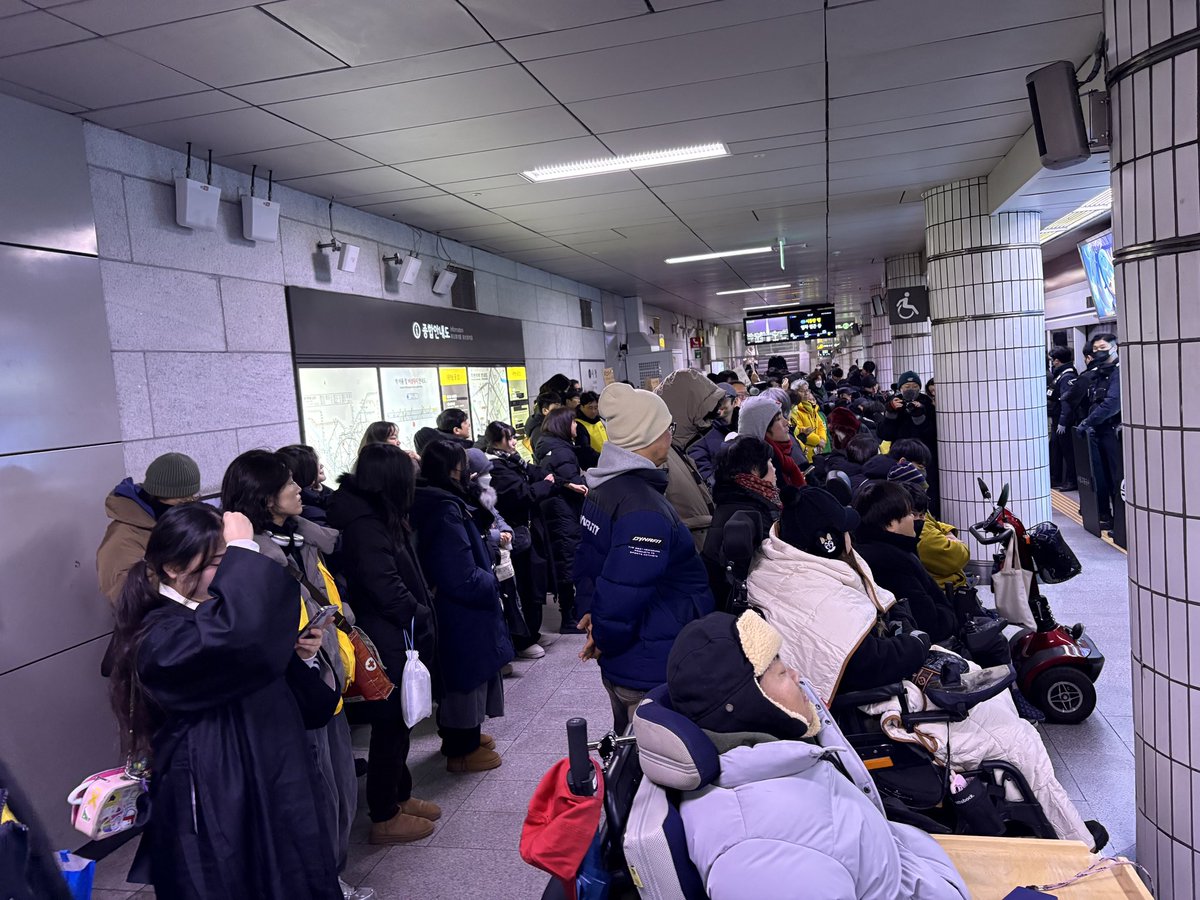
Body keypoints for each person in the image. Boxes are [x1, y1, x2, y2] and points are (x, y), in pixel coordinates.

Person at [749, 488, 1100, 849]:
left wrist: (906, 633)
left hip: (875, 694)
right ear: (827, 542)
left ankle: (1042, 814)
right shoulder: (812, 591)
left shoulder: (783, 571)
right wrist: (915, 643)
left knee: (997, 706)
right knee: (1017, 740)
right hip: (880, 711)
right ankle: (1068, 840)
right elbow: (864, 662)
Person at [109, 504, 343, 899]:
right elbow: (229, 642)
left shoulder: (232, 624)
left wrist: (302, 658)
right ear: (173, 568)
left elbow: (313, 707)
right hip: (218, 799)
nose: (230, 573)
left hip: (273, 787)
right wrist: (245, 550)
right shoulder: (159, 636)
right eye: (221, 561)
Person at [655, 610, 969, 900]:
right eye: (779, 671)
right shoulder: (757, 858)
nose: (795, 675)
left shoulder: (782, 760)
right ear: (749, 704)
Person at [220, 451, 360, 895]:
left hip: (326, 671)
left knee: (340, 785)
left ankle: (334, 874)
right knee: (317, 791)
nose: (299, 488)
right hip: (293, 685)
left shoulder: (304, 537)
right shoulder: (248, 557)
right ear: (263, 497)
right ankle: (325, 881)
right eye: (287, 484)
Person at [574, 383, 714, 733]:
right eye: (669, 429)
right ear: (651, 435)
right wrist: (604, 637)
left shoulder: (605, 487)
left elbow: (590, 563)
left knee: (628, 750)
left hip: (632, 655)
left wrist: (593, 618)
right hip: (650, 662)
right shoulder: (644, 510)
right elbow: (623, 592)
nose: (671, 436)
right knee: (650, 763)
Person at [325, 443, 441, 845]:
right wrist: (420, 612)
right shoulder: (363, 524)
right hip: (385, 635)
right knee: (390, 723)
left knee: (400, 721)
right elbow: (385, 586)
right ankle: (384, 814)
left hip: (393, 631)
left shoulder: (373, 513)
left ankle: (400, 795)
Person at [747, 487, 929, 697]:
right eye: (845, 531)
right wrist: (917, 641)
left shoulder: (775, 563)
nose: (850, 538)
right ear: (827, 543)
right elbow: (870, 664)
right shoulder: (816, 593)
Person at [412, 440, 513, 772]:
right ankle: (461, 748)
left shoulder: (440, 500)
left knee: (470, 672)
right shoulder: (443, 508)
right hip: (460, 608)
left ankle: (465, 736)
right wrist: (491, 580)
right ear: (452, 469)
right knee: (465, 675)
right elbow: (458, 573)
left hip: (460, 606)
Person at [851, 480, 958, 645]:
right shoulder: (892, 564)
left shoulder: (867, 551)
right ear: (891, 524)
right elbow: (933, 625)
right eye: (909, 513)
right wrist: (950, 615)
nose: (914, 519)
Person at [484, 421, 557, 656]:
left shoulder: (512, 461)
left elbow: (536, 474)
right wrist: (544, 485)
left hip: (526, 529)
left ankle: (532, 632)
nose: (514, 442)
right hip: (514, 534)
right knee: (523, 586)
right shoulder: (496, 468)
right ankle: (522, 639)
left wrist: (543, 481)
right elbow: (522, 494)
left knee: (534, 581)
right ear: (498, 441)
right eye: (510, 438)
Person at [97, 452, 201, 605]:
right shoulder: (123, 538)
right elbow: (125, 596)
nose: (189, 505)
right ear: (158, 497)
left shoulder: (172, 523)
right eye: (182, 501)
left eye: (193, 498)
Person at [701, 436, 782, 610]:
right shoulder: (751, 509)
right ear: (754, 469)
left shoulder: (736, 500)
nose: (774, 469)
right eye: (769, 462)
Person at [654, 369, 725, 551]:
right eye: (706, 412)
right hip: (688, 554)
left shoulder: (677, 451)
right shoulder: (661, 457)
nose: (709, 420)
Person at [534, 407, 590, 633]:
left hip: (554, 509)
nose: (576, 426)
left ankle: (569, 613)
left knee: (564, 557)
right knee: (568, 557)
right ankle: (568, 617)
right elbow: (573, 482)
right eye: (574, 423)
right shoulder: (561, 451)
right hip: (563, 511)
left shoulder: (547, 446)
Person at [1078, 333, 1122, 529]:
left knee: (1116, 478)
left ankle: (1120, 524)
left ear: (1114, 347)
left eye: (1102, 348)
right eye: (1095, 349)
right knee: (1102, 476)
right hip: (1099, 432)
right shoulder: (1099, 372)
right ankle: (1109, 517)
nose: (1098, 352)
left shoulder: (1119, 372)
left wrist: (1087, 422)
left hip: (1113, 432)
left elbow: (1112, 404)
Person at [737, 395, 807, 488]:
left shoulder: (782, 458)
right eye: (778, 419)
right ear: (762, 429)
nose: (787, 422)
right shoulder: (763, 470)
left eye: (783, 416)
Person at [687, 382, 737, 484]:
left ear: (735, 402)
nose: (717, 405)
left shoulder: (744, 427)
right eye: (714, 400)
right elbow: (702, 469)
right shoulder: (702, 431)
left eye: (723, 400)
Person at [1046, 348, 1079, 491]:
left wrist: (1063, 422)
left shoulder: (1067, 376)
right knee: (1056, 449)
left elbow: (1067, 401)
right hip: (1057, 419)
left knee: (1068, 452)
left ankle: (1071, 480)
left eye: (1053, 360)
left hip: (1062, 421)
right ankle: (1057, 478)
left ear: (1057, 361)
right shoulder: (1061, 375)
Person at [277, 443, 334, 525]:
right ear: (304, 470)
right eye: (315, 463)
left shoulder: (321, 490)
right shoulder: (306, 511)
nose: (321, 465)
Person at [880, 371, 936, 448]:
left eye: (915, 386)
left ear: (920, 388)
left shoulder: (927, 402)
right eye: (907, 386)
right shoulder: (894, 402)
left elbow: (933, 434)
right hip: (899, 450)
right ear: (900, 389)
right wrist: (890, 413)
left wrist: (919, 416)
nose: (911, 389)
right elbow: (885, 435)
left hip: (922, 450)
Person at [789, 380, 826, 463]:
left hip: (818, 451)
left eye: (807, 390)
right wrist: (818, 441)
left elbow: (820, 425)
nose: (806, 393)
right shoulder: (795, 409)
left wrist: (823, 439)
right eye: (802, 391)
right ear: (795, 393)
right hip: (806, 453)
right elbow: (798, 430)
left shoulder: (812, 406)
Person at [574, 390, 608, 468]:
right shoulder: (578, 425)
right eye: (590, 408)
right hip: (591, 465)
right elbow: (585, 449)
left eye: (596, 408)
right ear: (581, 406)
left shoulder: (600, 420)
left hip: (605, 461)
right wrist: (603, 458)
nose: (593, 411)